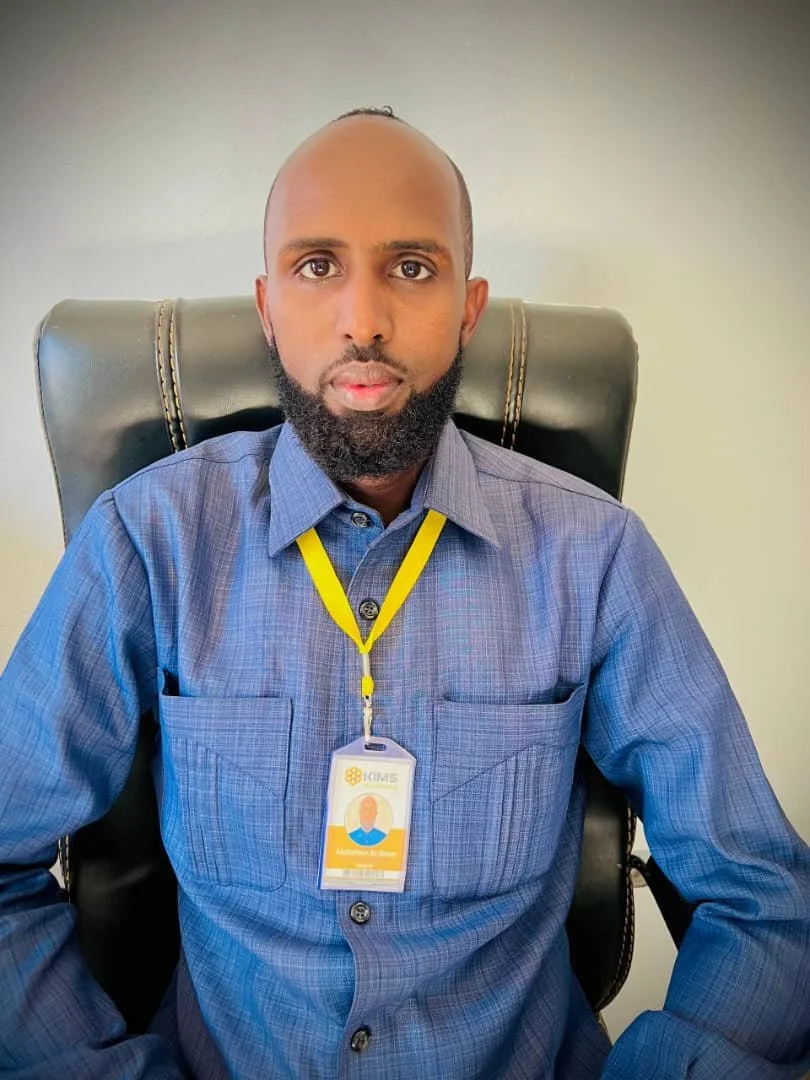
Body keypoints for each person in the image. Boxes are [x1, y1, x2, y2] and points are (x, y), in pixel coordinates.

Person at [0, 107, 808, 1080]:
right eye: (317, 266)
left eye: (412, 268)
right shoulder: (147, 540)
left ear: (468, 309)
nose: (363, 319)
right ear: (267, 308)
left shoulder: (594, 556)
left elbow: (761, 896)